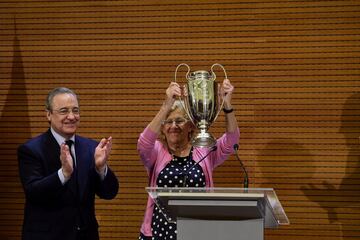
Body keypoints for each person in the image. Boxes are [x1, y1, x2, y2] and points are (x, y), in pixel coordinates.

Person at [137, 79, 240, 239]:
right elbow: (143, 143)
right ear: (162, 129)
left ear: (191, 126)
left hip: (198, 232)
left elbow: (231, 141)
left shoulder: (204, 151)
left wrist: (227, 105)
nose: (173, 126)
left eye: (179, 121)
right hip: (159, 233)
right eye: (168, 122)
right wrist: (166, 106)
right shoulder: (156, 152)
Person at [17, 87, 119, 240]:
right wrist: (63, 174)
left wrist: (101, 168)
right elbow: (34, 192)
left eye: (75, 110)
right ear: (49, 114)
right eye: (64, 111)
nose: (71, 116)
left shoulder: (91, 148)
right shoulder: (31, 150)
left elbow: (109, 193)